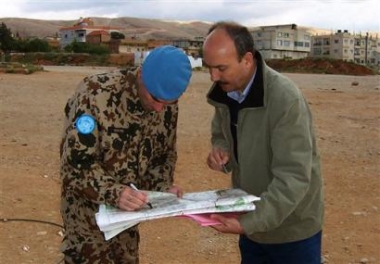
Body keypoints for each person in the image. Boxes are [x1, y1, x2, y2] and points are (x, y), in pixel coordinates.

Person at [202, 21, 324, 264]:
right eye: (209, 67)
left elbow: (294, 177)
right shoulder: (227, 92)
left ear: (247, 60)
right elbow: (220, 134)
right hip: (252, 223)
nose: (213, 76)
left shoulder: (284, 99)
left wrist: (247, 222)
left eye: (221, 68)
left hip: (292, 231)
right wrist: (222, 151)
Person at [59, 45, 192, 263]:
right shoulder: (95, 94)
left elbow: (163, 154)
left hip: (127, 213)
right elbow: (75, 165)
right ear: (140, 74)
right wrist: (114, 193)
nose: (160, 109)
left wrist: (161, 186)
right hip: (87, 211)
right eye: (155, 99)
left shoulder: (166, 103)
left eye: (168, 102)